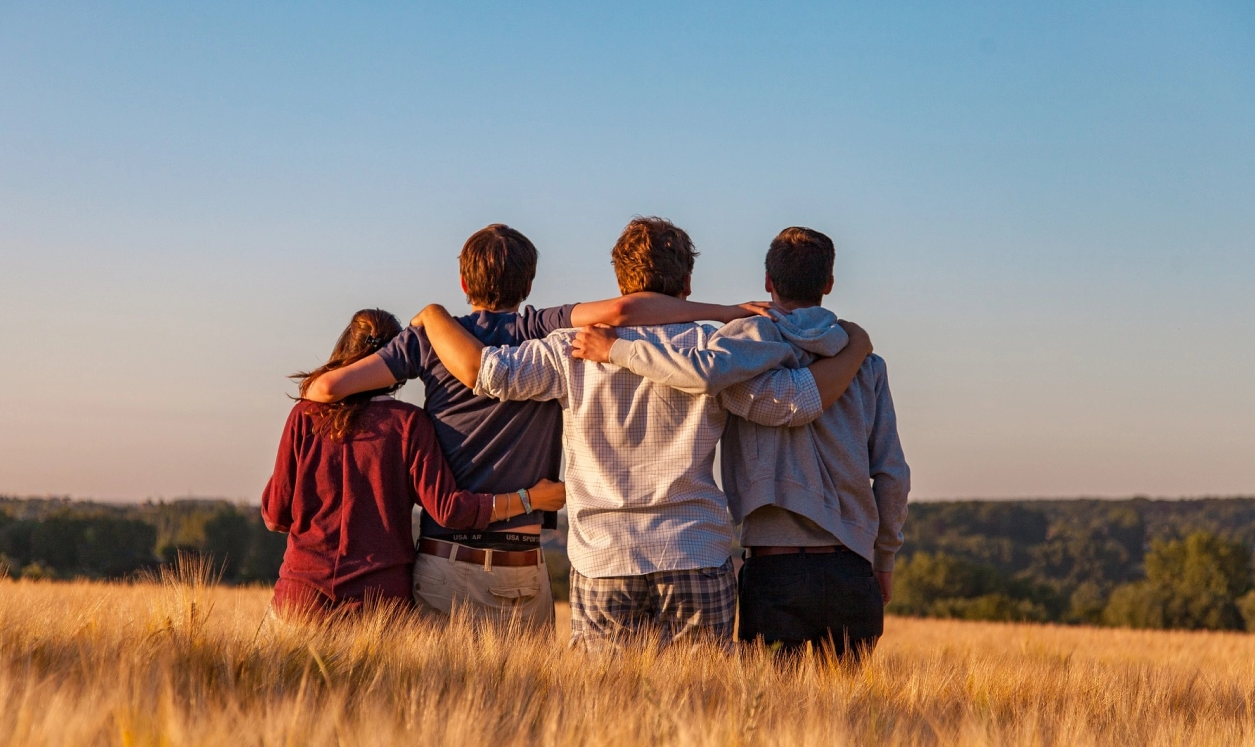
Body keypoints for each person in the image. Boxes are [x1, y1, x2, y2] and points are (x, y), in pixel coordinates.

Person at [410, 217, 873, 650]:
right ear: (687, 284)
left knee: (605, 713)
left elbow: (488, 373)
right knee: (701, 709)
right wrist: (855, 349)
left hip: (603, 558)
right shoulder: (714, 350)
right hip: (694, 550)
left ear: (619, 282)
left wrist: (433, 316)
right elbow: (792, 404)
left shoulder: (569, 348)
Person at [301, 223, 768, 628]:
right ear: (529, 283)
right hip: (525, 563)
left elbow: (324, 391)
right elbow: (626, 312)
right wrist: (725, 312)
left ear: (463, 281)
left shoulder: (429, 339)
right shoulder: (541, 328)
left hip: (446, 559)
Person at [572, 226, 909, 659]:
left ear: (768, 282)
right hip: (853, 568)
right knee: (847, 719)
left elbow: (705, 375)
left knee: (766, 715)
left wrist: (617, 349)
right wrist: (883, 559)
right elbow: (893, 475)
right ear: (828, 284)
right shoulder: (866, 363)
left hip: (774, 569)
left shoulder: (738, 350)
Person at [261, 308, 565, 620]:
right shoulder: (409, 424)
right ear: (397, 362)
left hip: (301, 598)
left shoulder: (305, 416)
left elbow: (275, 516)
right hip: (379, 605)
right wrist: (531, 499)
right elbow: (450, 510)